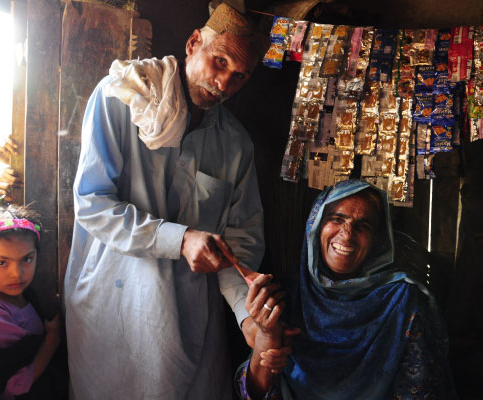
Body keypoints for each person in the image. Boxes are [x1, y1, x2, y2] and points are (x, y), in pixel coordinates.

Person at [63, 3, 267, 399]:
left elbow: (240, 242)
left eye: (239, 75)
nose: (224, 82)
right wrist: (180, 239)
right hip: (114, 303)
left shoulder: (235, 144)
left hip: (189, 317)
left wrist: (248, 317)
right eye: (219, 61)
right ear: (193, 44)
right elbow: (91, 202)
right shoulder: (123, 95)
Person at [238, 179, 456, 399]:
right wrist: (265, 340)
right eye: (336, 219)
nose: (348, 233)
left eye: (363, 226)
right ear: (316, 226)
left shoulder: (402, 300)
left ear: (377, 240)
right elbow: (254, 393)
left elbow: (420, 390)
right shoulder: (285, 294)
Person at [0, 204, 63, 399]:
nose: (16, 274)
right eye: (2, 263)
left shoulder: (25, 298)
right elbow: (15, 385)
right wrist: (53, 338)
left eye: (26, 259)